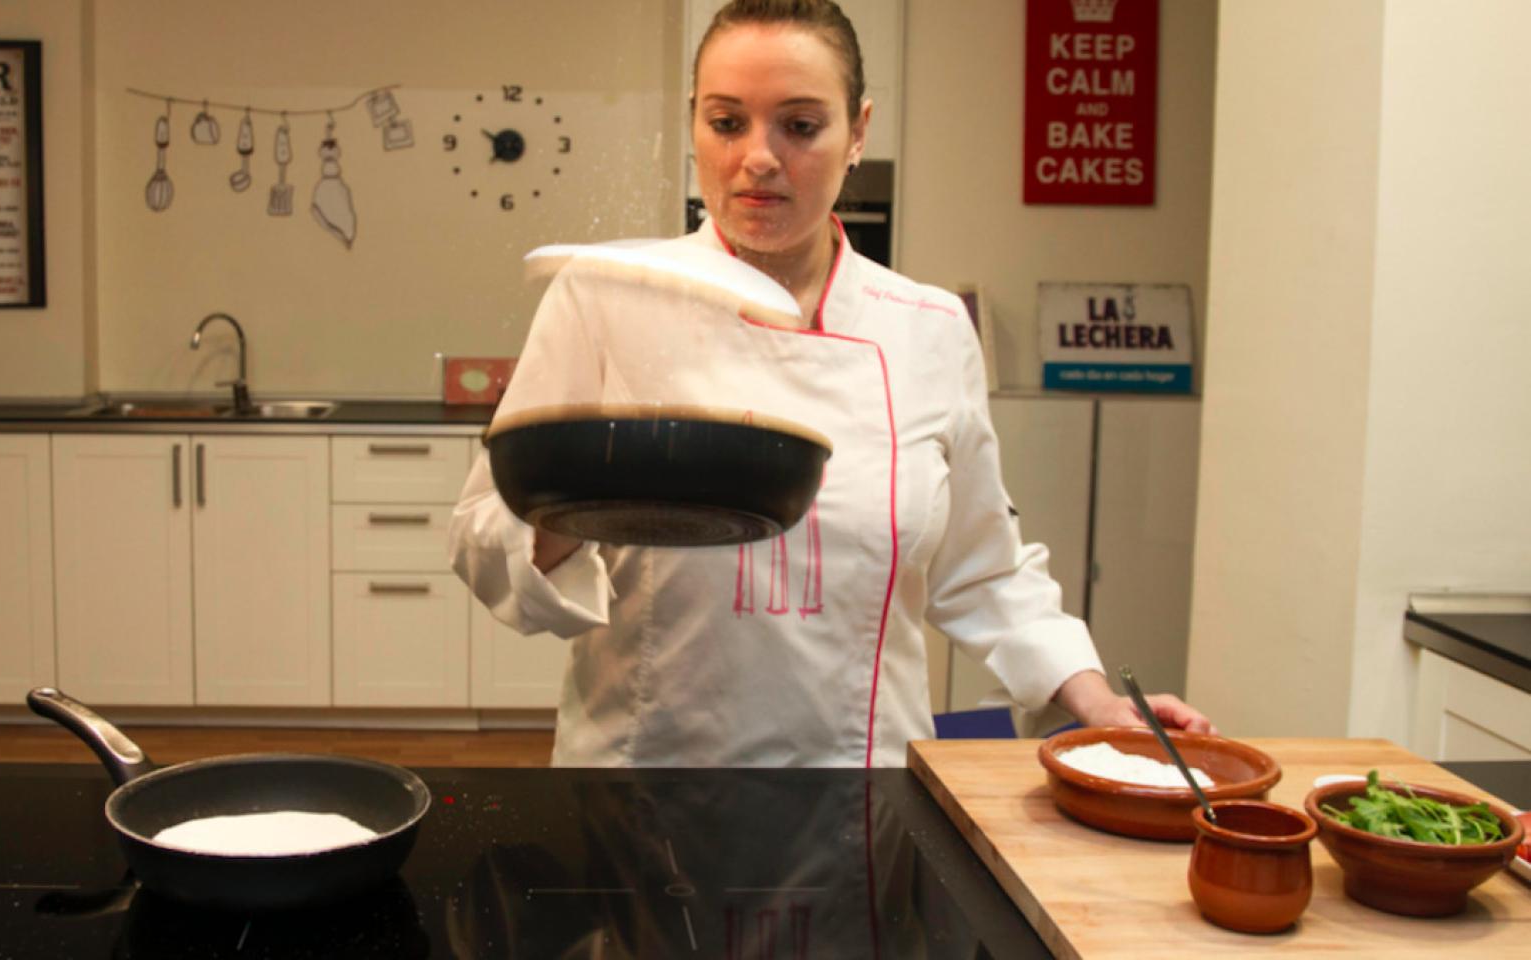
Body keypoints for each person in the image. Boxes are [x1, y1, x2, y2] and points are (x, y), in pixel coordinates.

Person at [450, 0, 1212, 767]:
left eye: (801, 125)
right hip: (644, 775)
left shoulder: (929, 329)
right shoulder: (605, 300)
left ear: (859, 132)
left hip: (864, 789)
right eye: (726, 122)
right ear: (693, 126)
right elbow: (484, 533)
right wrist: (581, 493)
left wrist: (1101, 704)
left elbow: (984, 567)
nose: (759, 157)